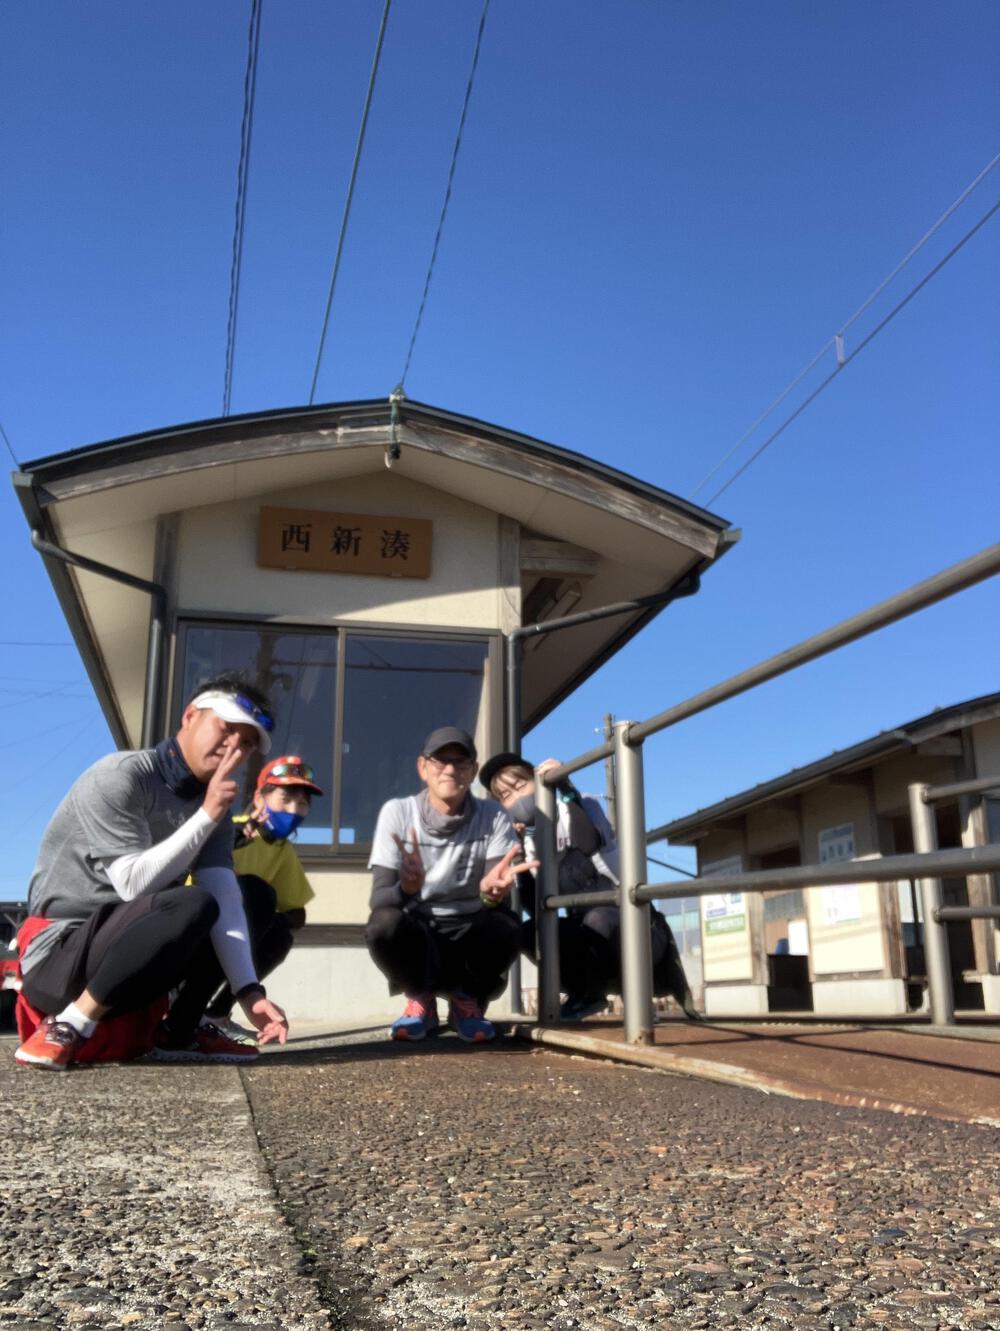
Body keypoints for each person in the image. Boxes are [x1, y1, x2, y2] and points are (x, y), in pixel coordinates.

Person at [14, 673, 289, 1070]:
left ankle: (180, 1032)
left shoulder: (217, 808)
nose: (234, 747)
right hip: (59, 958)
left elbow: (226, 898)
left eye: (246, 744)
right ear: (190, 716)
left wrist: (249, 991)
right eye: (227, 729)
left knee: (254, 895)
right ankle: (72, 1025)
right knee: (189, 902)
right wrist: (207, 815)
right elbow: (131, 885)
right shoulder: (119, 777)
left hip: (137, 956)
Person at [479, 751, 699, 1021]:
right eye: (505, 795)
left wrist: (565, 789)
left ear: (538, 779)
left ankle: (635, 1001)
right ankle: (585, 994)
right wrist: (520, 853)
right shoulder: (529, 839)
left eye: (520, 784)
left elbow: (588, 842)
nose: (515, 797)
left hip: (640, 929)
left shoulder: (584, 806)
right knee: (527, 933)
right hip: (591, 939)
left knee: (598, 918)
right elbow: (535, 907)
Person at [366, 726, 537, 1044]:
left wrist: (490, 894)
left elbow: (493, 889)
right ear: (422, 767)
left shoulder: (494, 815)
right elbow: (379, 900)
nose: (449, 769)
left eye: (460, 761)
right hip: (421, 932)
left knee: (508, 925)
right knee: (383, 923)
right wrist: (406, 888)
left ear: (472, 770)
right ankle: (420, 998)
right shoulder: (398, 812)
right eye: (440, 760)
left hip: (470, 931)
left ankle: (466, 1001)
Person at [203, 754, 322, 1036]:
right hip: (200, 930)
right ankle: (185, 1004)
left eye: (303, 803)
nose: (294, 809)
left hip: (236, 939)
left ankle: (215, 1015)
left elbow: (297, 912)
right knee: (254, 895)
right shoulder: (233, 829)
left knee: (279, 933)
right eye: (286, 798)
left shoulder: (282, 849)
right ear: (259, 799)